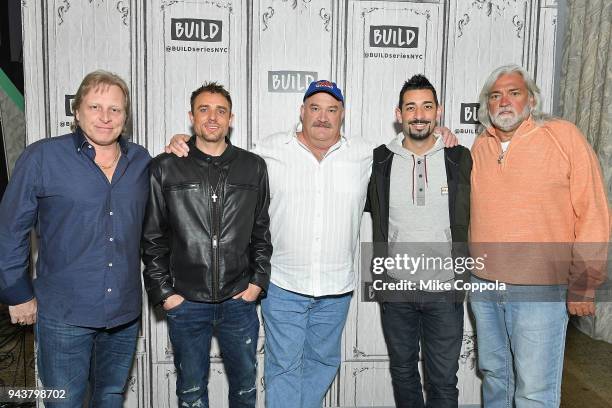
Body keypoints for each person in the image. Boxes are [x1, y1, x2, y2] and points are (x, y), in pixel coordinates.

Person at [166, 79, 459, 408]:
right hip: (284, 285)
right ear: (302, 112)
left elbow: (413, 149)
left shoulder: (366, 155)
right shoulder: (268, 151)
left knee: (324, 364)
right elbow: (218, 152)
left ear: (342, 114)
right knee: (284, 368)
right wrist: (184, 144)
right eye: (315, 108)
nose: (323, 117)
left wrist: (442, 136)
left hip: (336, 289)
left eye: (331, 110)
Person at [0, 70, 150, 407]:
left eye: (115, 109)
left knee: (110, 397)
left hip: (123, 315)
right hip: (64, 314)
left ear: (125, 117)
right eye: (95, 106)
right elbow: (10, 229)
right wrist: (16, 292)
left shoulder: (142, 162)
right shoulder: (42, 157)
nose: (105, 117)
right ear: (77, 111)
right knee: (63, 401)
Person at [469, 64, 610, 407]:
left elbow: (592, 212)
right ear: (486, 106)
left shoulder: (564, 137)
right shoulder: (479, 147)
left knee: (534, 390)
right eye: (495, 95)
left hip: (541, 290)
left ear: (531, 100)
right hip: (484, 286)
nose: (504, 102)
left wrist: (585, 284)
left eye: (514, 93)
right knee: (495, 377)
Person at [141, 82, 272, 408]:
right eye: (204, 109)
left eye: (220, 111)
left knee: (244, 390)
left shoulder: (253, 166)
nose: (212, 117)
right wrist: (166, 294)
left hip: (238, 301)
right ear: (191, 117)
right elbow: (153, 237)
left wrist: (258, 282)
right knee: (190, 391)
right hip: (186, 303)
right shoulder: (165, 167)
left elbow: (261, 231)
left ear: (231, 119)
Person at [366, 75, 471, 408]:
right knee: (404, 373)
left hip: (445, 291)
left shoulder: (459, 158)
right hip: (397, 289)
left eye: (427, 106)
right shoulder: (379, 160)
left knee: (443, 381)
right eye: (411, 107)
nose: (419, 115)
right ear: (399, 114)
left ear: (438, 112)